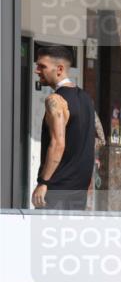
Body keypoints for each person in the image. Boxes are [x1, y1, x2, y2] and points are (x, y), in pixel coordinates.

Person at [32, 46, 96, 211]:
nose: (36, 71)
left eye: (42, 66)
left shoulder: (55, 100)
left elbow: (58, 144)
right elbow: (96, 140)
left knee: (44, 235)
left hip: (55, 189)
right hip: (79, 191)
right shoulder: (87, 99)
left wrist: (43, 182)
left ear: (59, 69)